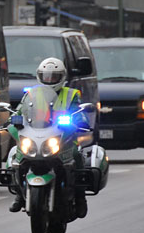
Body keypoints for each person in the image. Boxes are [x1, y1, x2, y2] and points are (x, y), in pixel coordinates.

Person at [9, 57, 88, 217]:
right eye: (46, 76)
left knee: (77, 156)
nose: (50, 80)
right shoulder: (31, 94)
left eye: (54, 76)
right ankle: (19, 194)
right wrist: (13, 119)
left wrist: (79, 120)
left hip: (63, 137)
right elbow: (20, 111)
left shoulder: (71, 94)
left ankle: (80, 198)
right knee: (17, 156)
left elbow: (78, 112)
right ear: (39, 76)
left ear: (62, 77)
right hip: (37, 135)